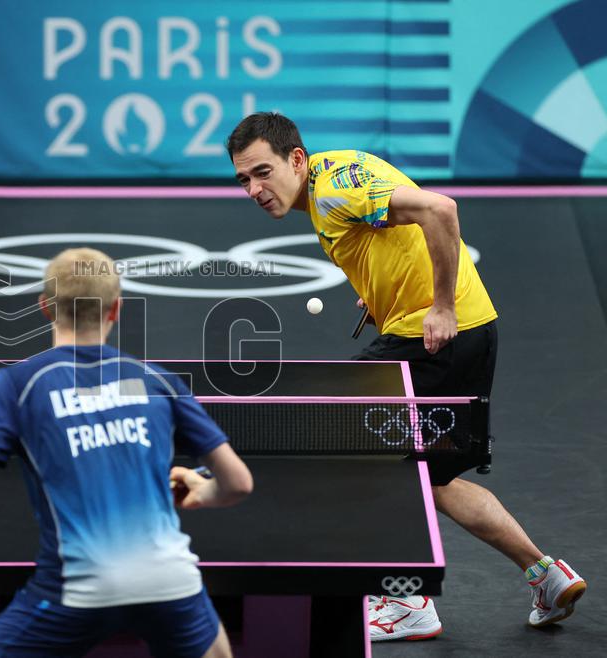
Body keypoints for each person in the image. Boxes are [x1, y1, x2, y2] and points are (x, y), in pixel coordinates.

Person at [225, 113, 586, 641]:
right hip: (470, 329)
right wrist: (381, 291)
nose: (254, 189)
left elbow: (440, 210)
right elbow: (396, 232)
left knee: (339, 438)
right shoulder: (336, 175)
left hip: (434, 334)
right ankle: (545, 575)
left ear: (295, 159)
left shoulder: (332, 192)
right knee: (433, 478)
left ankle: (406, 600)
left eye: (262, 172)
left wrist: (439, 306)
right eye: (243, 180)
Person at [0, 247, 254, 658]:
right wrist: (199, 489)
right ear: (116, 309)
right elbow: (238, 484)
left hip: (79, 588)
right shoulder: (159, 380)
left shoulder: (20, 384)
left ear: (45, 307)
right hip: (169, 582)